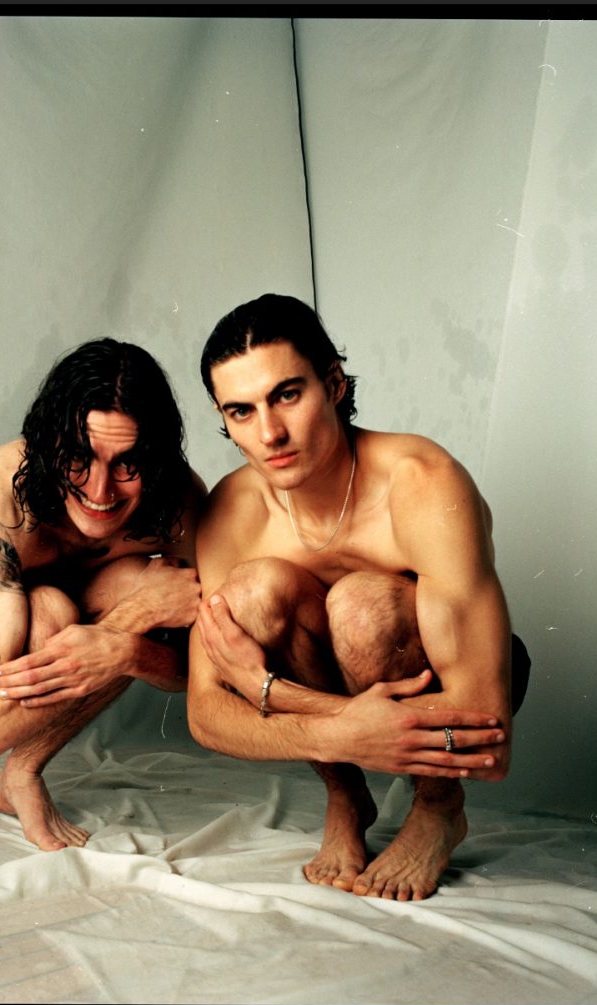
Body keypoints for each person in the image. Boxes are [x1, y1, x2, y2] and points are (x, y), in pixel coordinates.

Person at [188, 294, 529, 900]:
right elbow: (206, 714)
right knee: (256, 589)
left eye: (287, 395)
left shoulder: (421, 480)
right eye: (240, 412)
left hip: (446, 677)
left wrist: (273, 695)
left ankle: (439, 808)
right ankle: (346, 795)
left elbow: (488, 734)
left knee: (361, 606)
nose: (268, 433)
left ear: (335, 384)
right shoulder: (231, 514)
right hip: (341, 702)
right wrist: (339, 734)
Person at [0, 338, 203, 851]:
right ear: (47, 442)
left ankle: (26, 770)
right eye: (79, 458)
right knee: (48, 610)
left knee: (123, 590)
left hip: (67, 603)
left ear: (158, 458)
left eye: (127, 464)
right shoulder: (1, 501)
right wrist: (125, 626)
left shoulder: (179, 503)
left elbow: (191, 675)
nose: (100, 492)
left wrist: (127, 646)